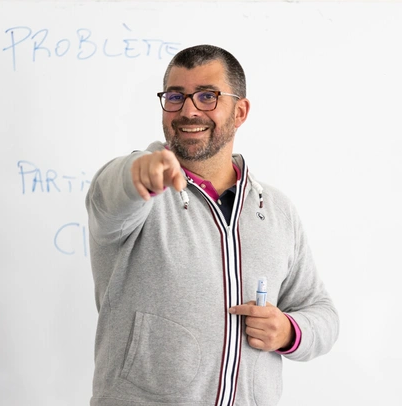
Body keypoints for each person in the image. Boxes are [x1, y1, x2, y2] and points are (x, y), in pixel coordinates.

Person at [85, 44, 339, 406]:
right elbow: (108, 195)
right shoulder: (140, 192)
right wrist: (136, 173)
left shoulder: (276, 210)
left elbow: (321, 311)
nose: (188, 110)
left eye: (207, 96)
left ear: (240, 111)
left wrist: (288, 331)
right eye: (175, 96)